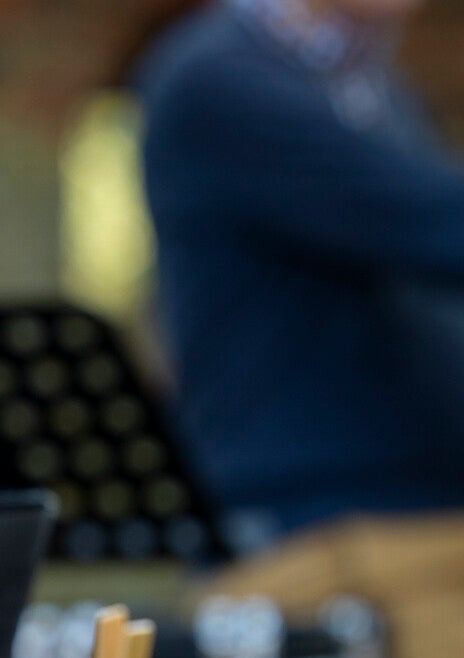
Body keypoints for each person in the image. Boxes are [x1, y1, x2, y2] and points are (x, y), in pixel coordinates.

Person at [137, 0, 464, 553]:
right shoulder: (223, 77)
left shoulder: (363, 81)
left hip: (403, 502)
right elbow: (432, 225)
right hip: (316, 514)